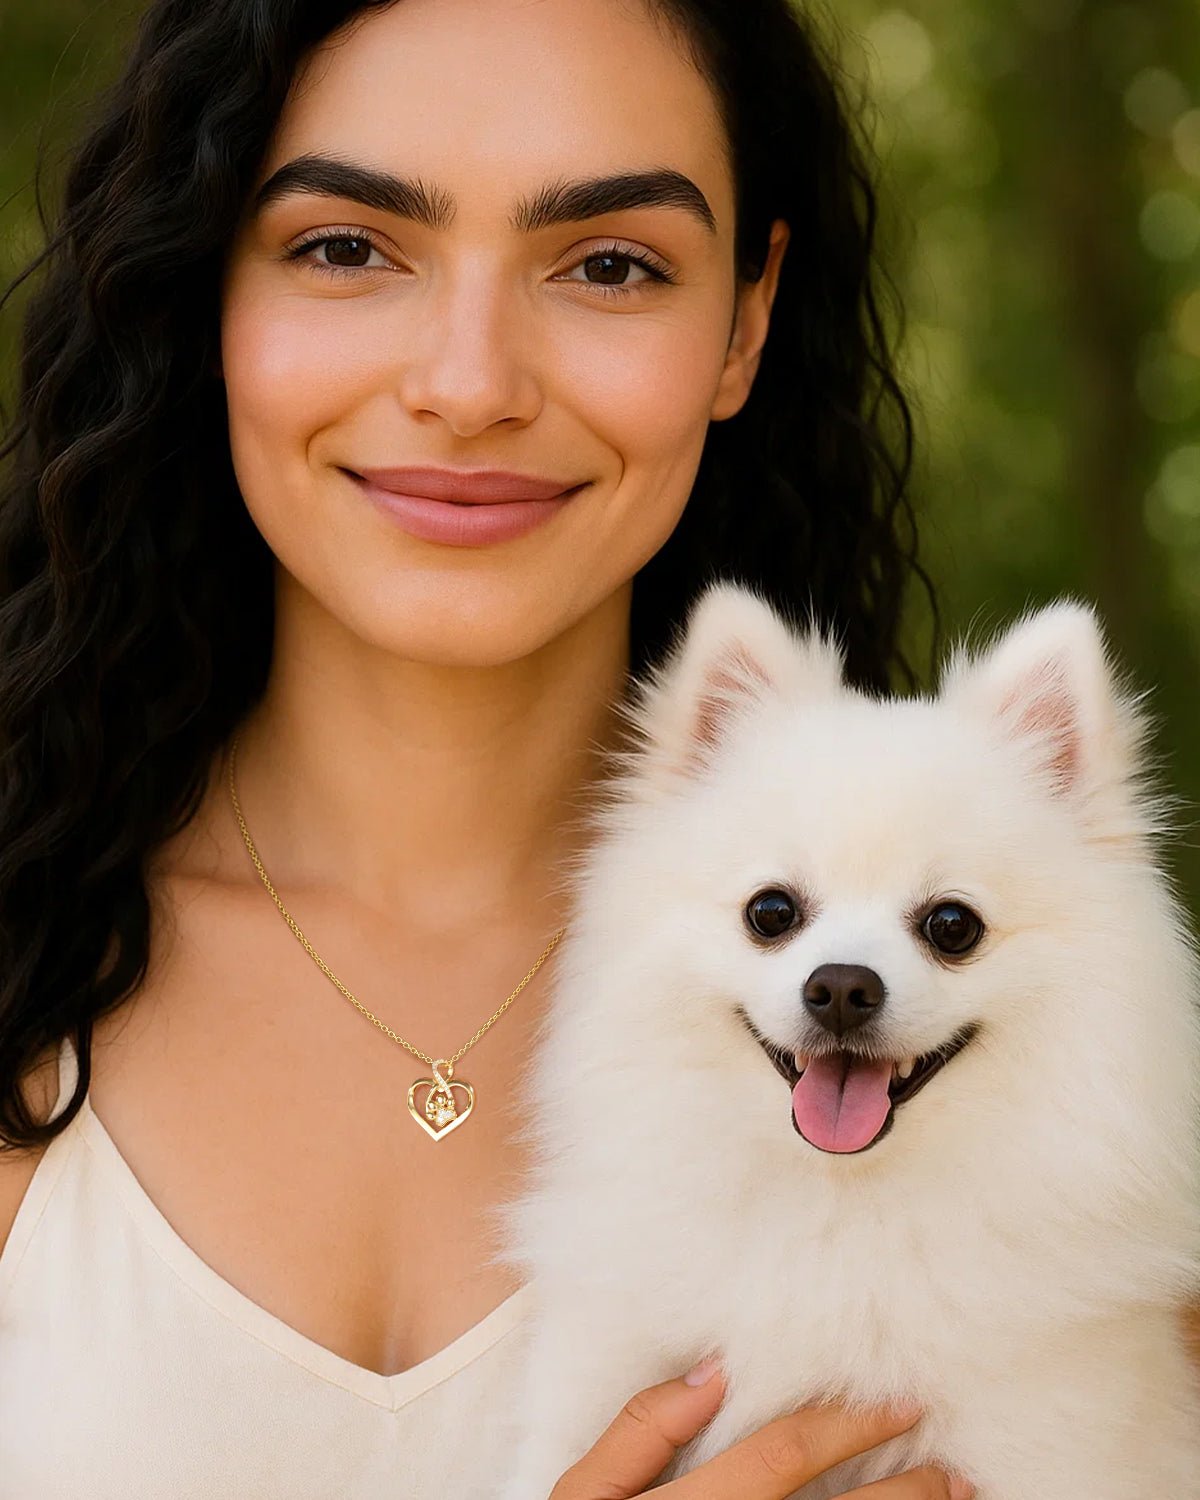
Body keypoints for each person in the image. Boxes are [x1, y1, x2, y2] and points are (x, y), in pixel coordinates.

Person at [1, 0, 1192, 1493]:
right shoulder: (24, 952)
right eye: (348, 246)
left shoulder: (1088, 1124)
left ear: (745, 320)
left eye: (610, 264)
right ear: (203, 286)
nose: (470, 381)